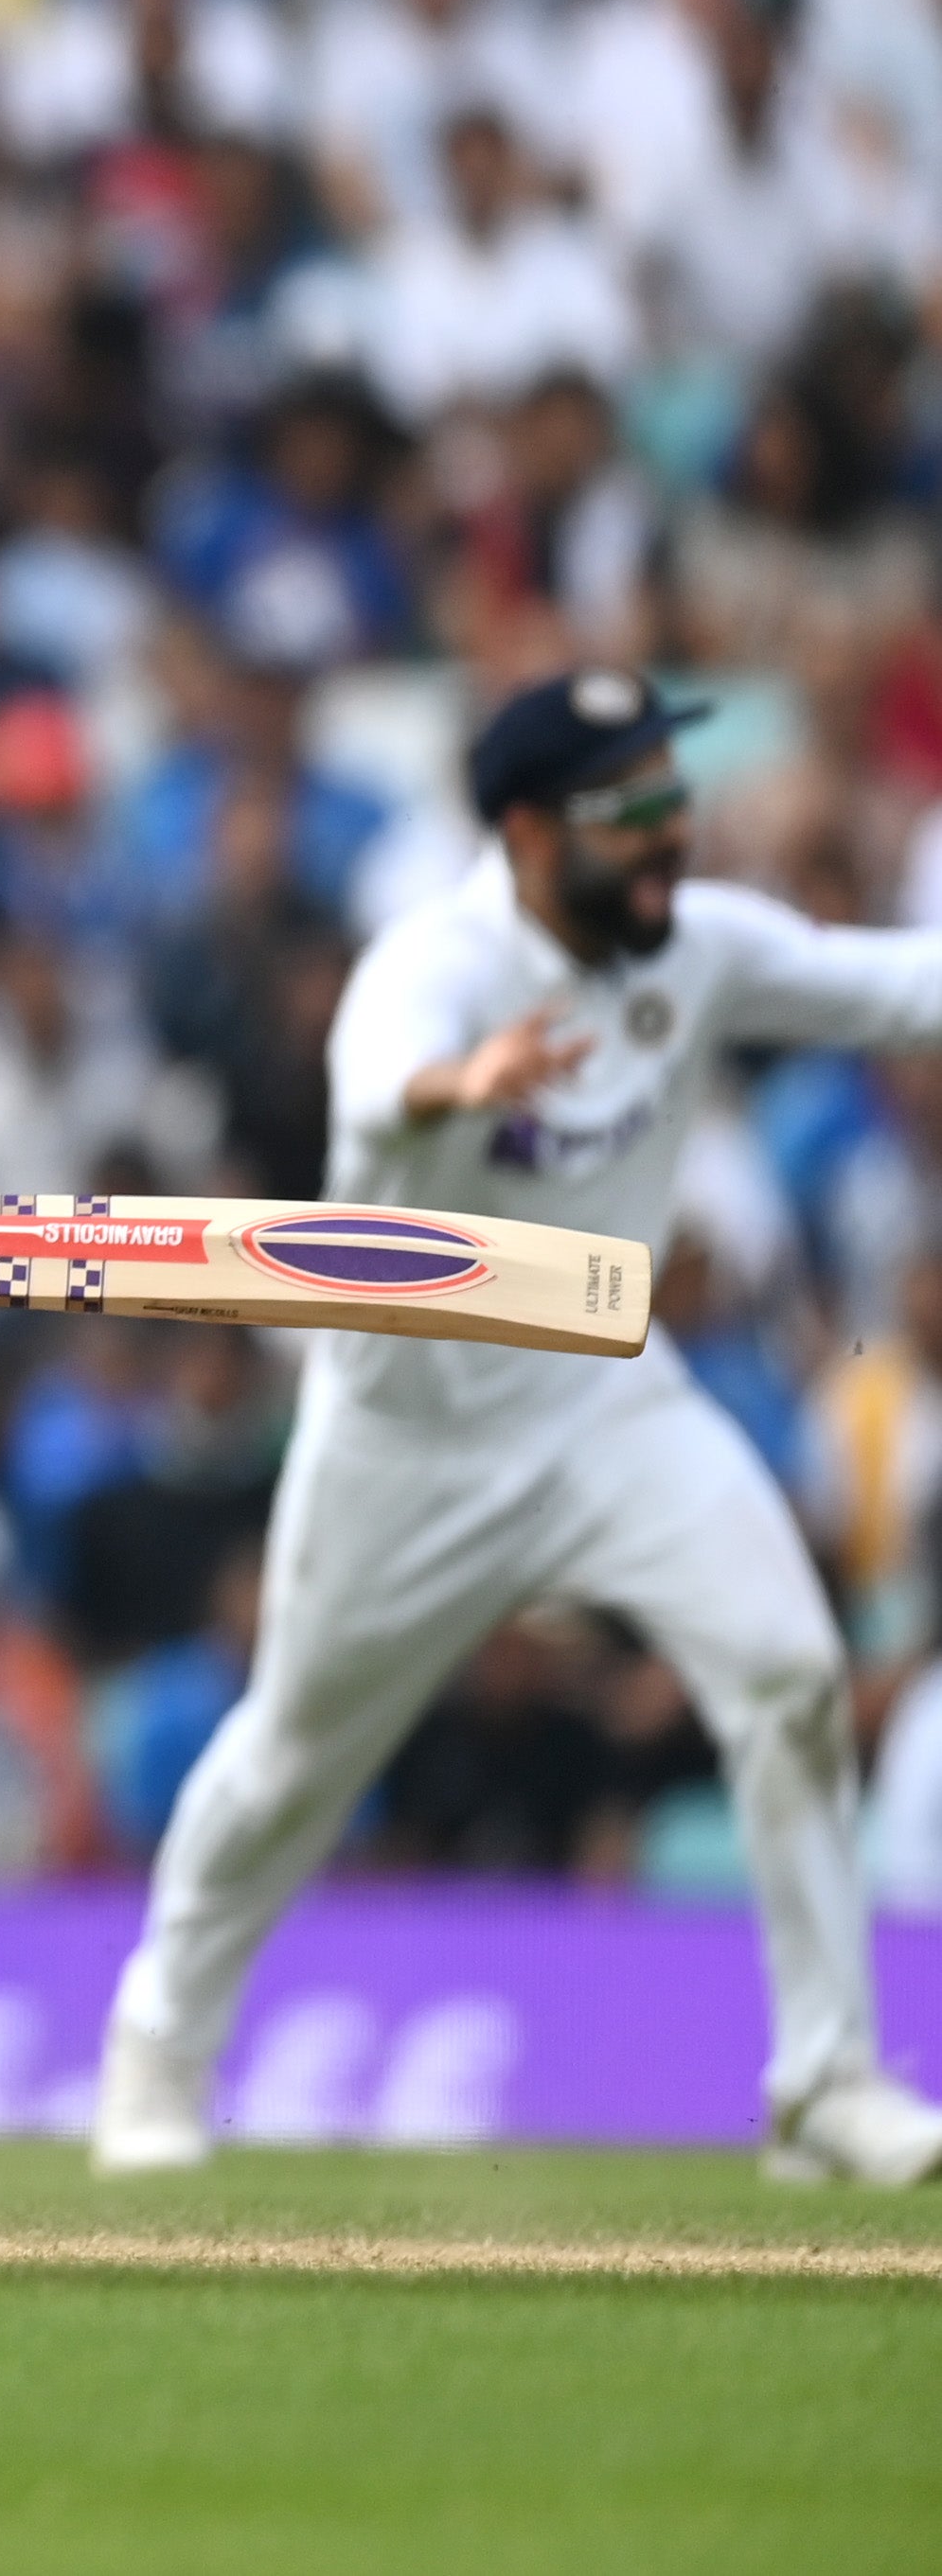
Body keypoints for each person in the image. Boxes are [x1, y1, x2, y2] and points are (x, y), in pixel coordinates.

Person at [95, 669, 942, 2187]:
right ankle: (159, 2039)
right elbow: (374, 1102)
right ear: (533, 832)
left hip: (609, 1403)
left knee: (791, 1672)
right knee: (295, 1753)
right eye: (636, 815)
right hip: (410, 1437)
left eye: (676, 801)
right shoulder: (437, 965)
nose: (673, 838)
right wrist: (455, 1085)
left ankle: (826, 2076)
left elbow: (897, 986)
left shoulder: (700, 948)